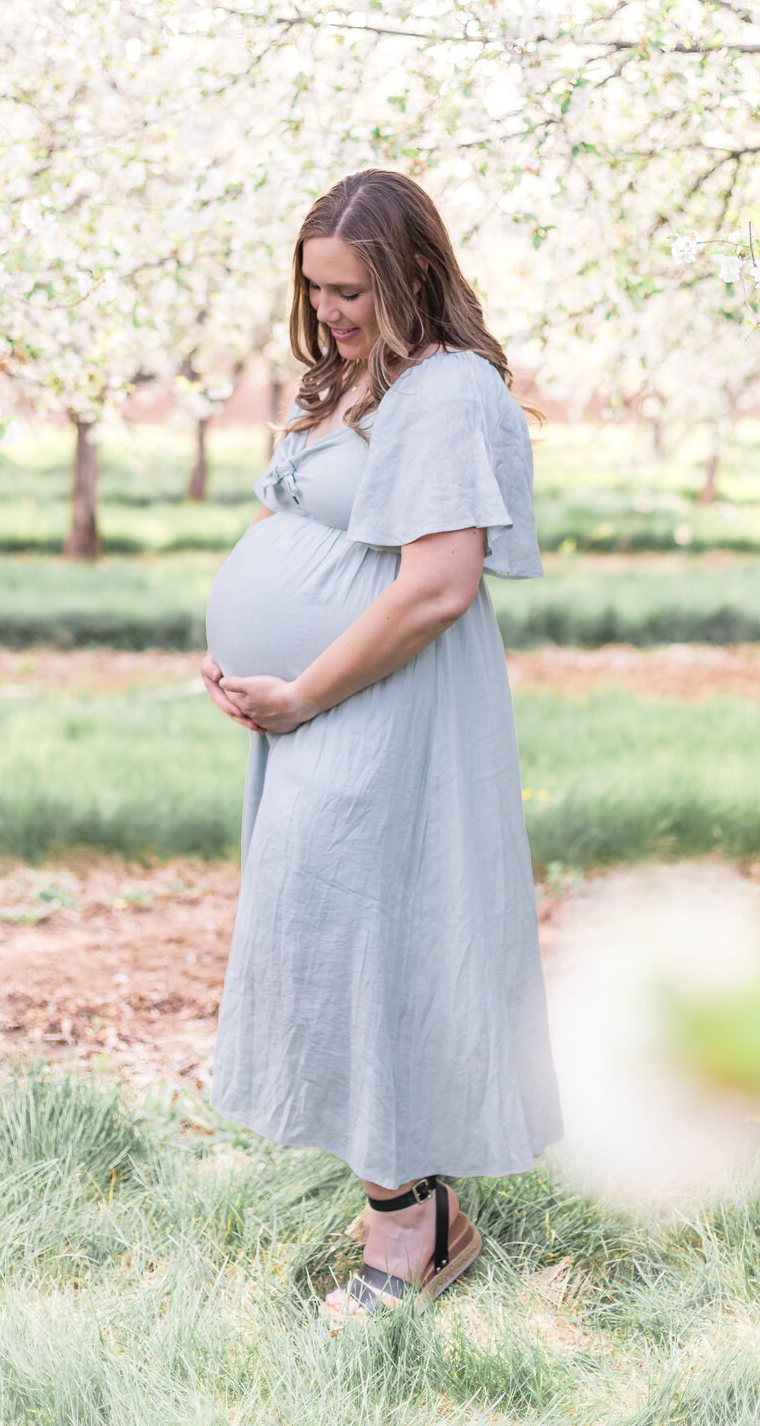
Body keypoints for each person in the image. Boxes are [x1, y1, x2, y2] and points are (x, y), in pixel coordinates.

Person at [201, 169, 562, 1318]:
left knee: (362, 947)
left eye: (350, 288)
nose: (331, 312)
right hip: (318, 706)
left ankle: (410, 1230)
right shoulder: (354, 379)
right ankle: (413, 1206)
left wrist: (302, 688)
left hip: (382, 710)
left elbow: (438, 586)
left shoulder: (447, 391)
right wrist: (240, 651)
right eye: (315, 290)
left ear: (412, 273)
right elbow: (296, 517)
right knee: (331, 943)